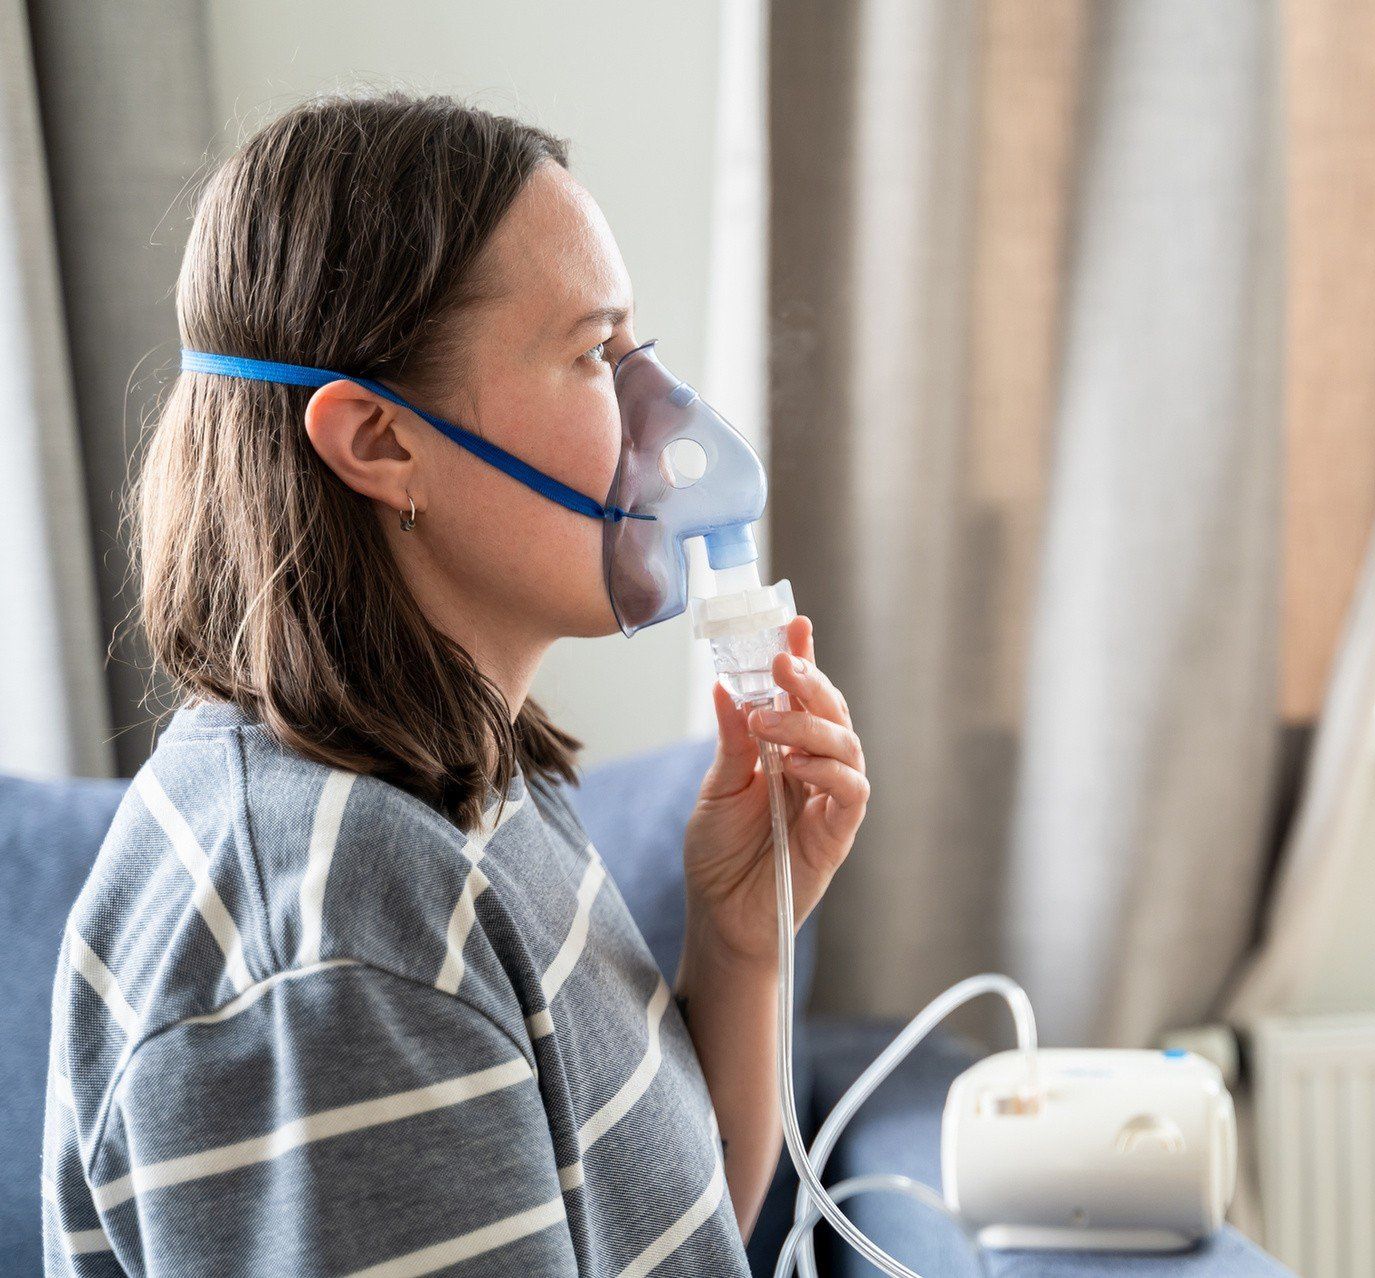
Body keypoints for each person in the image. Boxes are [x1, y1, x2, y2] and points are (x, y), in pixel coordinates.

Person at [40, 91, 869, 1277]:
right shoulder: (337, 943)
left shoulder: (471, 776)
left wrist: (740, 943)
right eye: (593, 354)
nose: (666, 419)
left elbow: (669, 1240)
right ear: (381, 442)